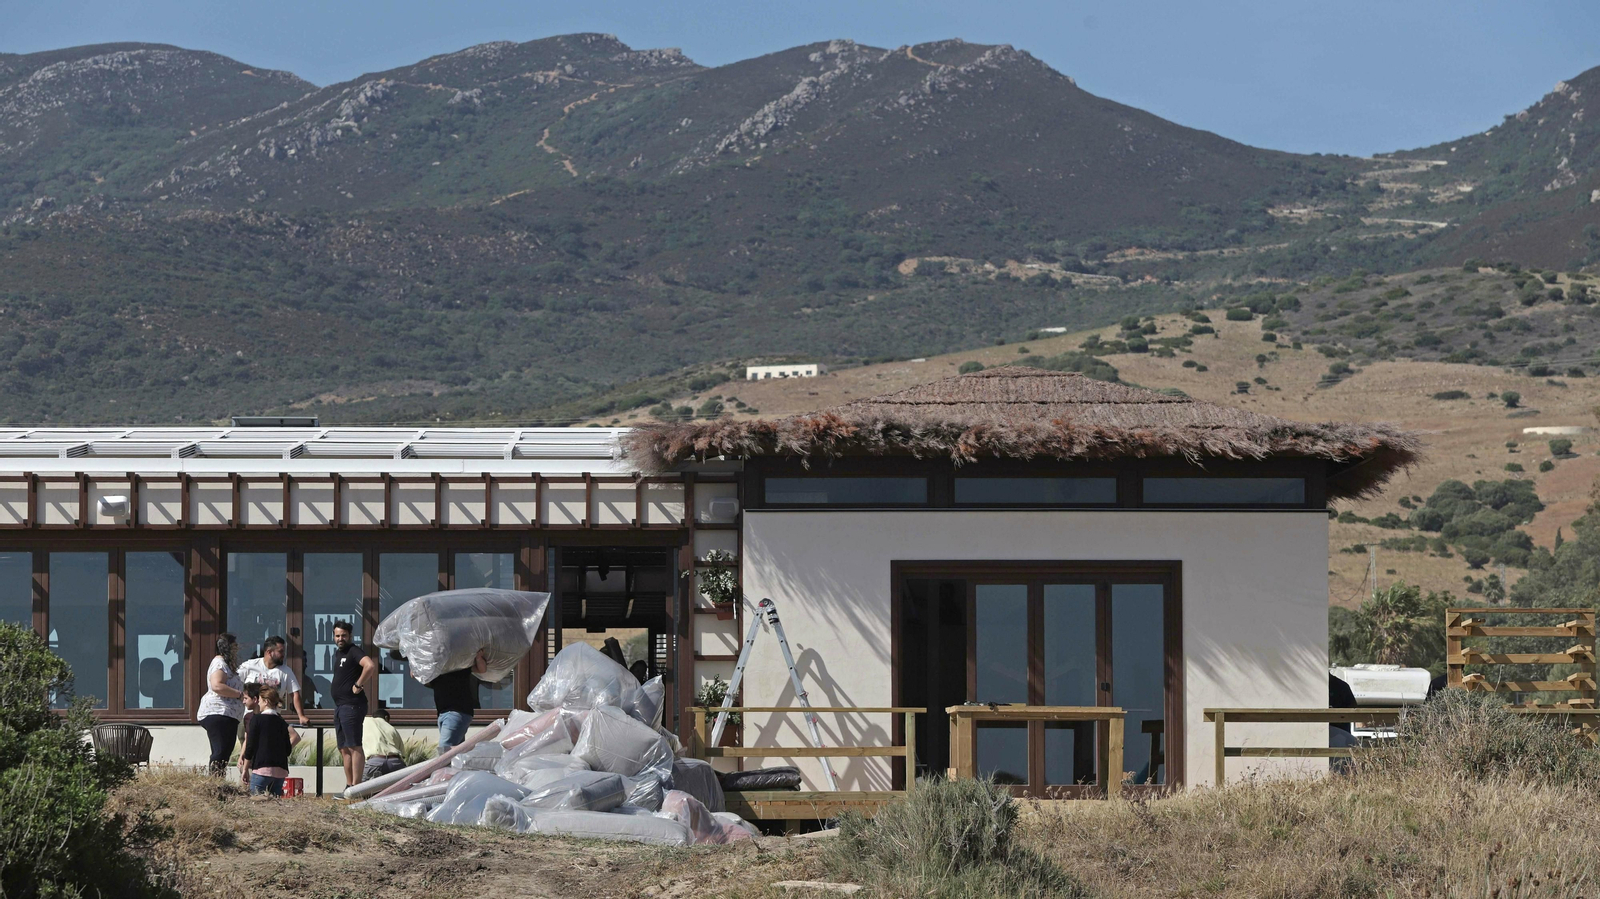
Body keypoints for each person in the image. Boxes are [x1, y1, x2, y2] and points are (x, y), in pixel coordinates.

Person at [330, 620, 377, 788]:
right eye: (337, 635)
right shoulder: (338, 654)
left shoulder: (354, 651)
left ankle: (357, 787)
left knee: (354, 745)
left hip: (352, 705)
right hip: (340, 706)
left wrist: (358, 684)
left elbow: (370, 666)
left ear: (350, 635)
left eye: (343, 635)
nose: (340, 638)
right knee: (344, 748)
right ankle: (349, 786)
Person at [196, 633, 245, 776]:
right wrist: (239, 694)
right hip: (218, 712)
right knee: (220, 750)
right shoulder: (220, 663)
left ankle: (218, 780)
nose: (237, 650)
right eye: (235, 647)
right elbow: (217, 685)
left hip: (228, 715)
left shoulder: (227, 665)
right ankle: (214, 781)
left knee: (225, 751)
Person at [421, 650, 486, 753]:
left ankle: (442, 769)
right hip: (443, 714)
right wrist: (415, 658)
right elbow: (414, 674)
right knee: (457, 754)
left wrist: (478, 658)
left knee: (445, 751)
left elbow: (481, 669)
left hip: (456, 712)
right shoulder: (435, 671)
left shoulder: (458, 666)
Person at [241, 686, 301, 797]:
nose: (258, 704)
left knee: (256, 802)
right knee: (275, 805)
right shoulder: (282, 722)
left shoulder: (257, 719)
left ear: (266, 701)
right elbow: (287, 750)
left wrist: (245, 768)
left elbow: (250, 746)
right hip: (280, 771)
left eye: (260, 701)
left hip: (261, 769)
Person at [238, 636, 309, 726]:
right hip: (249, 718)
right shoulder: (249, 666)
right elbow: (234, 683)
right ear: (269, 652)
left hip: (271, 719)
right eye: (280, 651)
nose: (284, 654)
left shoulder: (286, 671)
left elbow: (295, 694)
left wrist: (301, 716)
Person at [363, 703, 407, 781]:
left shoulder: (366, 721)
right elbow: (402, 755)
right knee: (403, 785)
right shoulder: (393, 729)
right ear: (386, 718)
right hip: (395, 761)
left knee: (360, 787)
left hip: (375, 762)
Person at [237, 683, 262, 781]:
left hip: (261, 765)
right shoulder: (247, 717)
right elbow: (247, 740)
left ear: (255, 699)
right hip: (248, 763)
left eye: (246, 698)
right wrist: (241, 756)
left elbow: (294, 736)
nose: (243, 702)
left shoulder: (269, 717)